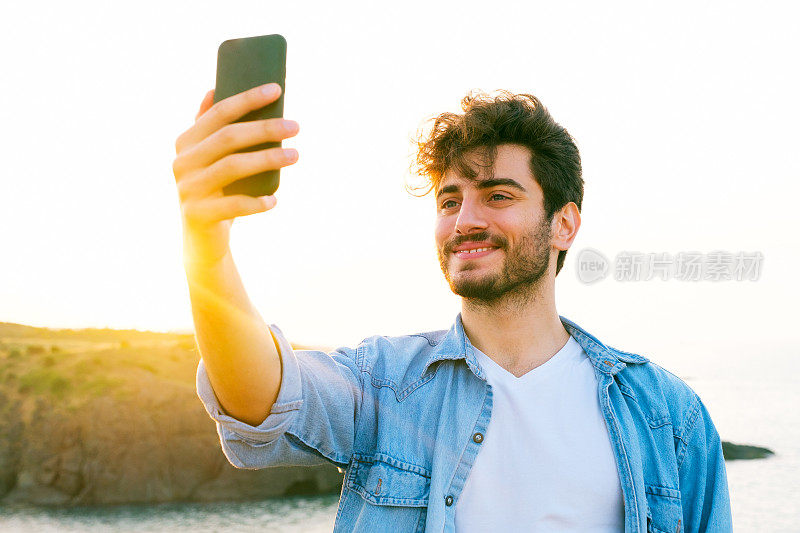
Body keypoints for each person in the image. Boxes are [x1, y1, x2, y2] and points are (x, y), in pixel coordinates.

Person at [173, 84, 732, 532]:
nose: (465, 219)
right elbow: (261, 398)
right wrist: (206, 245)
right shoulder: (387, 385)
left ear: (564, 224)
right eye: (449, 200)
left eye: (498, 195)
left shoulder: (665, 415)